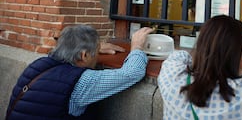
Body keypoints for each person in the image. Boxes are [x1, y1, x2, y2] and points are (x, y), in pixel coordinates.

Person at [6, 24, 153, 119]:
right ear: (84, 55)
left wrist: (94, 47)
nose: (96, 56)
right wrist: (137, 46)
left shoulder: (38, 65)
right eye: (95, 53)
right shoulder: (81, 82)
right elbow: (133, 72)